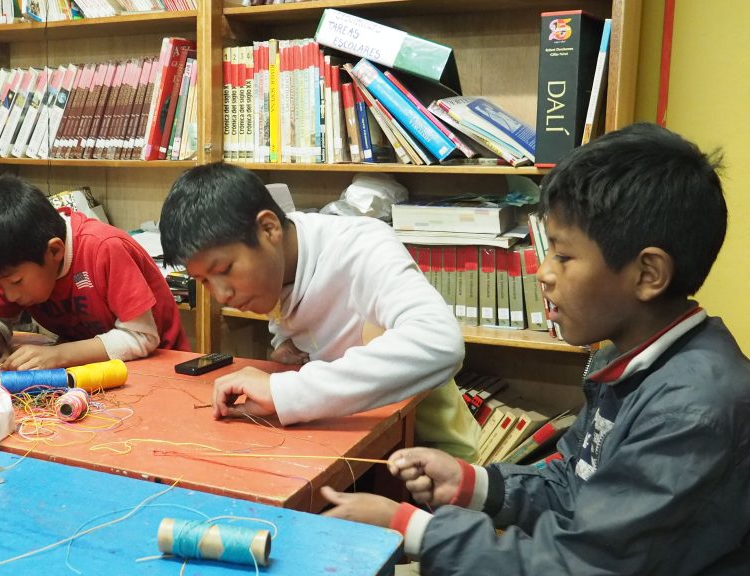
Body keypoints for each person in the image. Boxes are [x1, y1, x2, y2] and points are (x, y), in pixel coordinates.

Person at [320, 123, 750, 574]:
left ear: (648, 274)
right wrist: (472, 484)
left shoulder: (692, 411)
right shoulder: (627, 360)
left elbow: (584, 565)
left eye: (562, 256)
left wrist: (413, 530)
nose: (542, 273)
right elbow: (575, 483)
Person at [159, 162, 479, 460]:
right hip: (340, 443)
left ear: (269, 228)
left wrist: (286, 391)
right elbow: (302, 320)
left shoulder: (362, 247)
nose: (222, 294)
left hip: (426, 452)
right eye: (203, 281)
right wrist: (286, 346)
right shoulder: (277, 266)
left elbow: (440, 342)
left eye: (225, 268)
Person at [0, 174, 188, 370]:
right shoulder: (15, 263)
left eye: (16, 282)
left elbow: (141, 338)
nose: (9, 295)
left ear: (55, 251)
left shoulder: (103, 249)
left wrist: (59, 356)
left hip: (159, 368)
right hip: (93, 371)